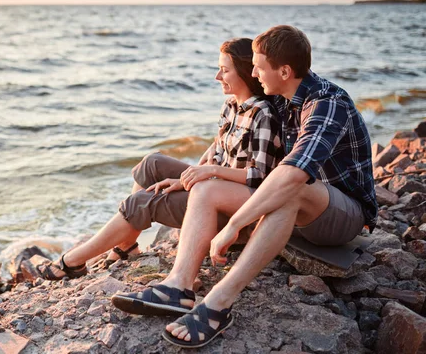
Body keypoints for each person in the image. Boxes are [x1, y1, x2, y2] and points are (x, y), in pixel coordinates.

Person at [111, 25, 378, 349]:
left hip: (341, 214)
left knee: (294, 187)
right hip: (291, 209)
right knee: (206, 189)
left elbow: (293, 174)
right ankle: (178, 287)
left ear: (284, 70)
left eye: (258, 67)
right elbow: (240, 124)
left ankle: (218, 304)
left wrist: (234, 225)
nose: (252, 73)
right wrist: (200, 172)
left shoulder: (326, 103)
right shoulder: (281, 97)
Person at [36, 37, 283, 281]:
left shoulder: (262, 114)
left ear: (244, 72)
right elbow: (218, 156)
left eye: (224, 70)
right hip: (212, 184)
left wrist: (205, 175)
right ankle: (127, 246)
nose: (217, 77)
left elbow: (260, 177)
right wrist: (192, 176)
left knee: (143, 201)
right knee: (152, 163)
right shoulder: (231, 106)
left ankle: (71, 262)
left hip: (230, 207)